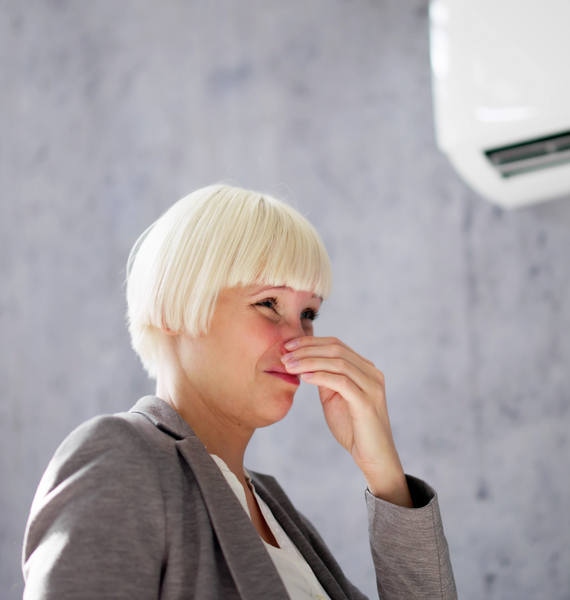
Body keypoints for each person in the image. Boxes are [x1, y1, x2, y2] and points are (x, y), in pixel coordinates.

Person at [22, 184, 458, 600]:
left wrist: (386, 480)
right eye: (268, 304)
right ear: (175, 306)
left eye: (308, 313)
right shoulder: (119, 460)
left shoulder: (280, 515)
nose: (298, 340)